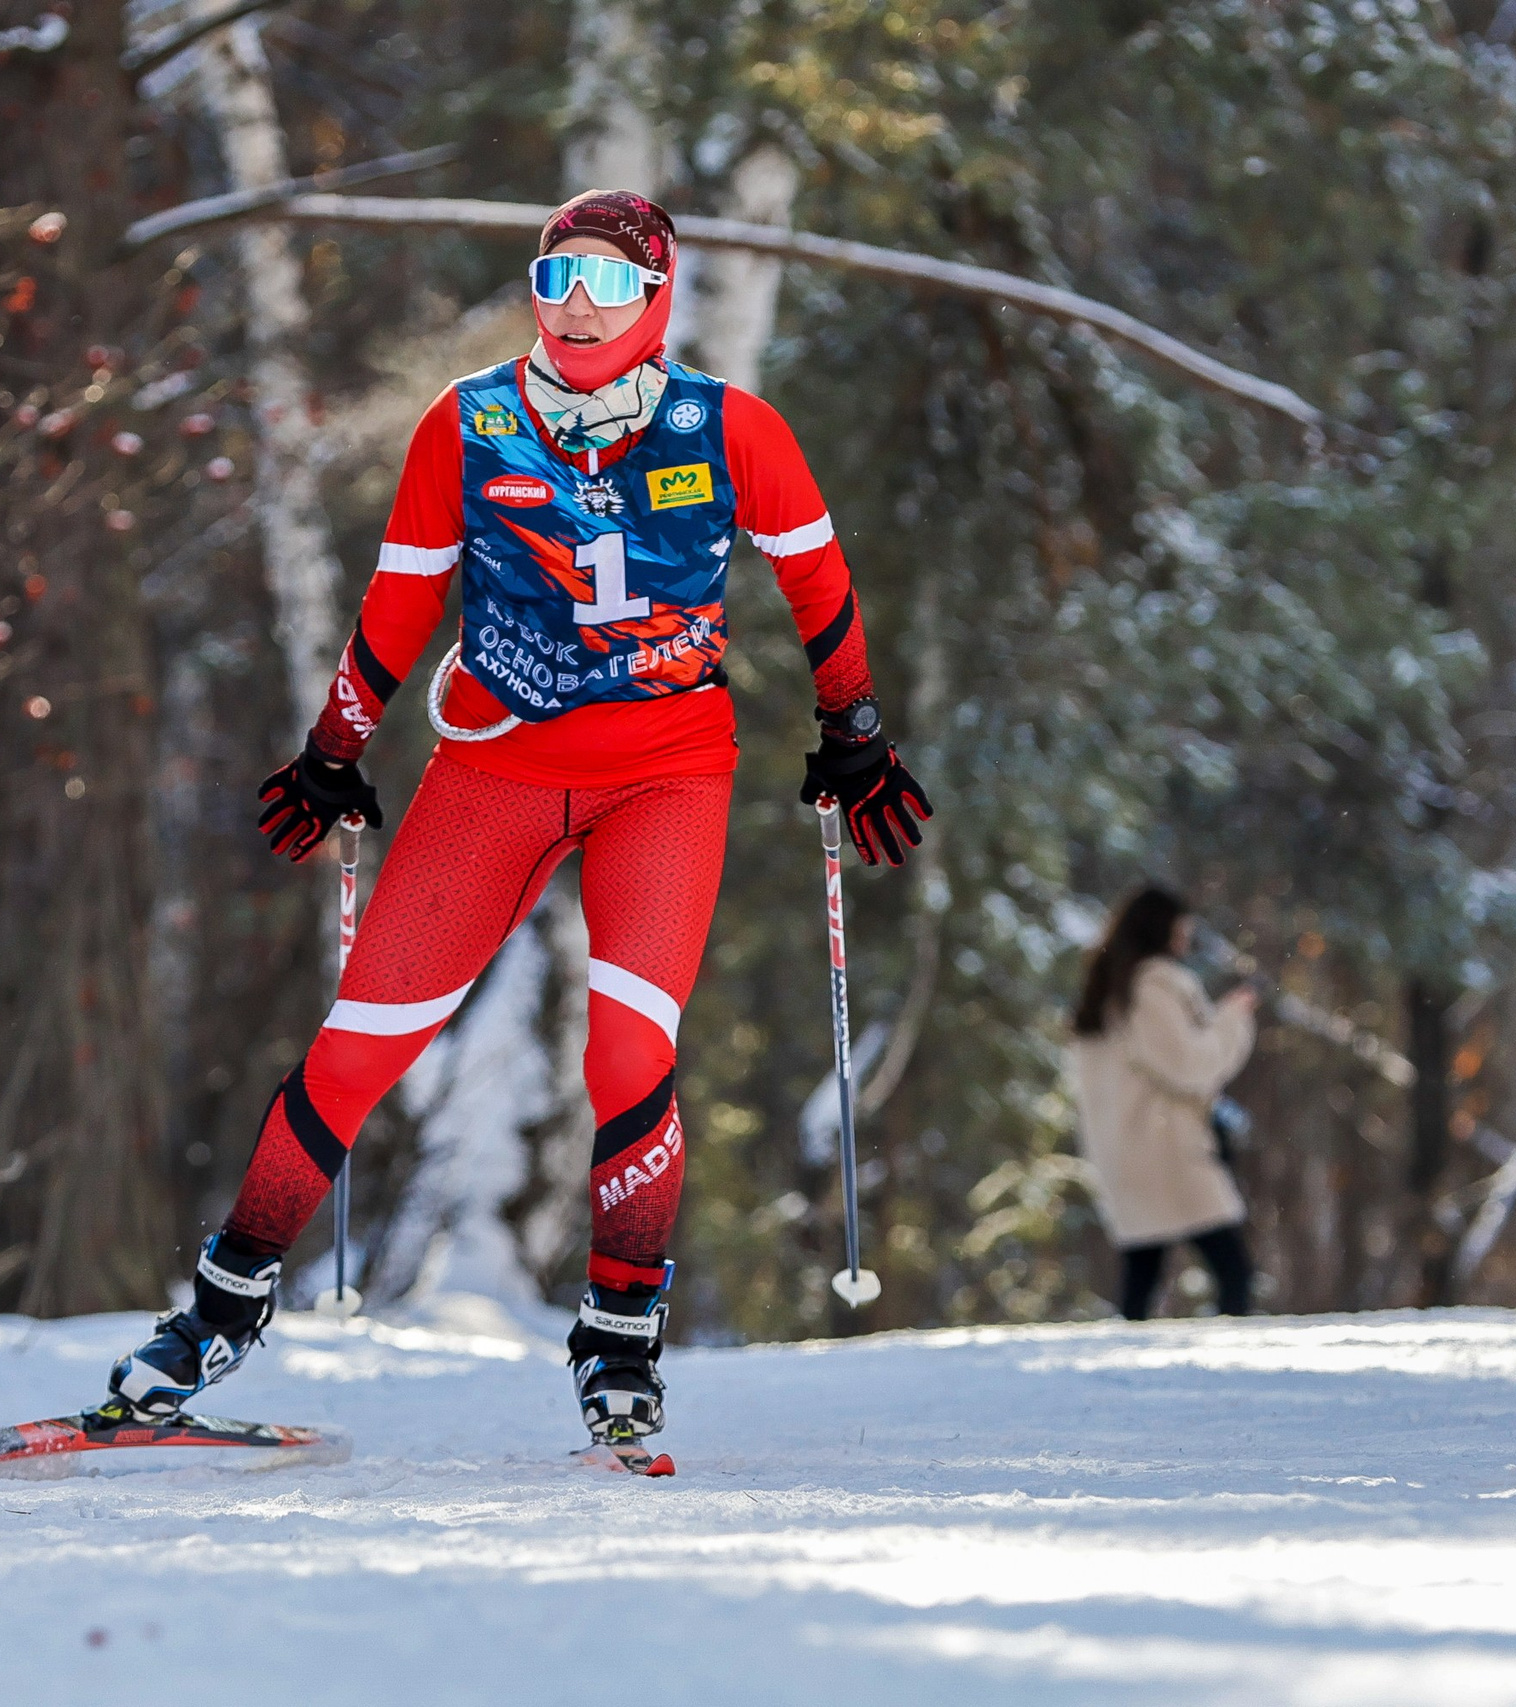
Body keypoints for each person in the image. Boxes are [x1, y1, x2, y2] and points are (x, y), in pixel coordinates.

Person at [103, 190, 931, 1449]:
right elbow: (400, 593)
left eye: (607, 283)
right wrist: (336, 748)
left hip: (666, 771)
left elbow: (816, 576)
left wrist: (853, 729)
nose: (579, 308)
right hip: (490, 769)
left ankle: (618, 1338)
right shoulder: (473, 421)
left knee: (624, 1050)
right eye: (555, 283)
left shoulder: (727, 426)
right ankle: (220, 1306)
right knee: (358, 1045)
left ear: (657, 297)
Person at [1067, 886, 1259, 1321]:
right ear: (1165, 928)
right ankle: (1237, 1364)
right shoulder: (1150, 987)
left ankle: (1129, 1374)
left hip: (1127, 1150)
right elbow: (1187, 1066)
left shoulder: (1108, 989)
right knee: (1232, 1268)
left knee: (1143, 1269)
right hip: (1165, 1150)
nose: (1187, 935)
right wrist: (1232, 1020)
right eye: (1182, 925)